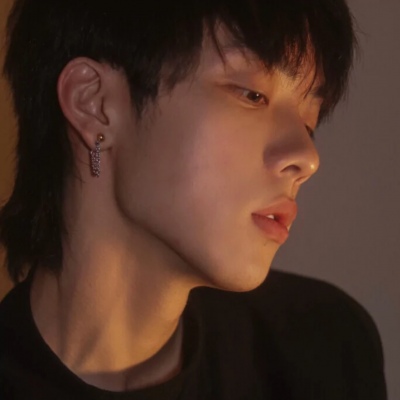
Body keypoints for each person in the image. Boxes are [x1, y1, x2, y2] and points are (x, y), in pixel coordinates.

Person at [0, 0, 387, 398]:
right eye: (253, 95)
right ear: (94, 104)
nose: (307, 158)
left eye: (309, 123)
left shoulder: (323, 346)